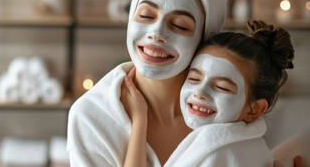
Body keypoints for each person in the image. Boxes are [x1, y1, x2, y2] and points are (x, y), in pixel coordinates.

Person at [67, 0, 230, 166]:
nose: (156, 34)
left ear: (203, 38)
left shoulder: (224, 110)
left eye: (179, 25)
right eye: (145, 15)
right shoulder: (92, 115)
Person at [122, 20, 295, 166]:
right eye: (194, 79)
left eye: (222, 87)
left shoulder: (221, 154)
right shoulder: (242, 146)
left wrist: (139, 120)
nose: (200, 92)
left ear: (254, 109)